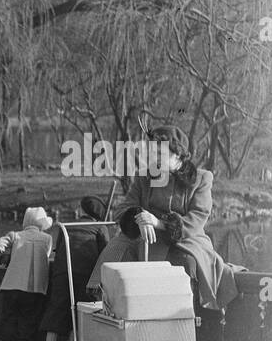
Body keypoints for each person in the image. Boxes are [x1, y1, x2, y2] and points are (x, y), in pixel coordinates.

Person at [86, 126, 239, 315]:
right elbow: (122, 210)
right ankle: (115, 313)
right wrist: (140, 217)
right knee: (118, 252)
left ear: (178, 155)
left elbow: (196, 219)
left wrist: (159, 223)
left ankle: (184, 322)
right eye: (151, 151)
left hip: (186, 240)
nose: (153, 157)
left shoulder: (201, 179)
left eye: (159, 152)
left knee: (186, 264)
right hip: (145, 239)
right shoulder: (145, 177)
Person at [37, 196, 110, 341]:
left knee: (57, 307)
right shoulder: (100, 228)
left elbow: (60, 249)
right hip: (86, 273)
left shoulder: (67, 225)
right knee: (80, 308)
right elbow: (105, 253)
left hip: (63, 271)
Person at [0, 207, 54, 341]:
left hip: (12, 283)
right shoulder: (47, 238)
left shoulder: (15, 235)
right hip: (35, 286)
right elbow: (47, 257)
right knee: (29, 316)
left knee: (9, 313)